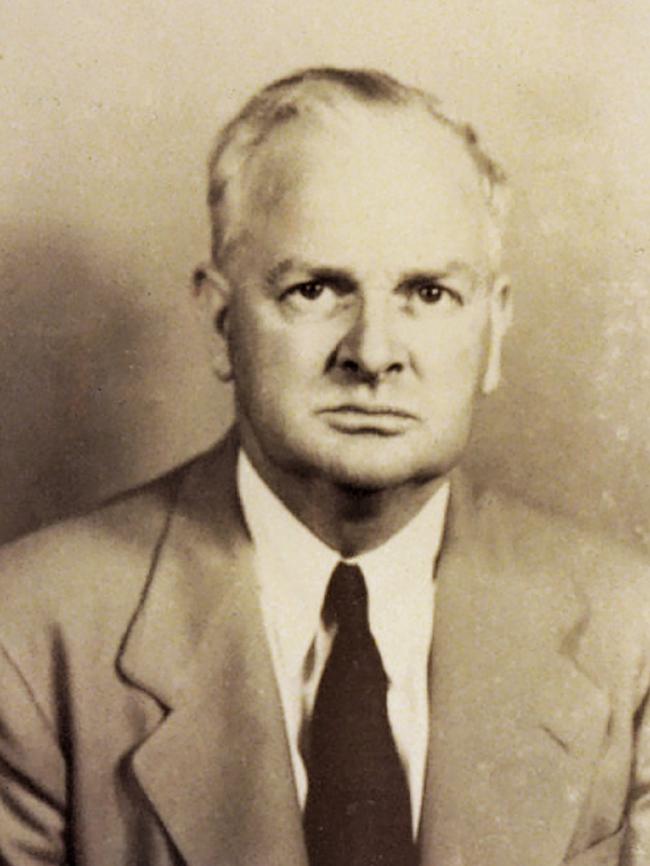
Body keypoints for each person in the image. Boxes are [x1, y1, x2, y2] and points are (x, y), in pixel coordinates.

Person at [0, 67, 648, 866]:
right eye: (314, 290)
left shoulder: (633, 637)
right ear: (219, 320)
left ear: (495, 328)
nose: (373, 353)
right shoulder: (26, 638)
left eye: (430, 293)